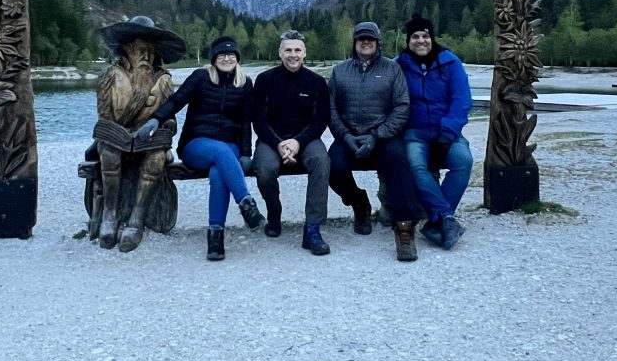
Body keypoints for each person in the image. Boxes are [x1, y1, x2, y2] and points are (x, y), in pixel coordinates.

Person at [136, 36, 264, 260]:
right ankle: (246, 204)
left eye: (231, 54)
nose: (227, 58)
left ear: (237, 58)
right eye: (222, 54)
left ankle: (216, 236)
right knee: (220, 152)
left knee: (218, 172)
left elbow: (246, 122)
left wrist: (245, 154)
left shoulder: (245, 84)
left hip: (230, 146)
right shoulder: (200, 77)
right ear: (214, 58)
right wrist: (155, 120)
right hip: (196, 145)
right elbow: (176, 101)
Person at [90, 15, 186, 253]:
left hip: (148, 141)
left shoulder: (162, 81)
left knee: (156, 158)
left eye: (151, 52)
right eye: (141, 51)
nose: (146, 57)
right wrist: (116, 133)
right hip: (117, 139)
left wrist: (166, 129)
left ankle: (137, 217)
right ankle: (110, 215)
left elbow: (170, 116)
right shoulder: (109, 77)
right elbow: (104, 118)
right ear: (126, 51)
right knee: (109, 152)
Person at [327, 21, 420, 262]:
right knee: (332, 166)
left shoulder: (392, 69)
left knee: (400, 163)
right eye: (361, 39)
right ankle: (360, 204)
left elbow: (402, 107)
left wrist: (377, 135)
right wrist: (345, 136)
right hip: (348, 137)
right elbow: (331, 110)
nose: (366, 42)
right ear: (355, 42)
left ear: (378, 42)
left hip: (383, 137)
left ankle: (404, 227)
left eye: (371, 39)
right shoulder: (339, 71)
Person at [396, 14, 474, 250]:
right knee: (416, 166)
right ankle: (445, 218)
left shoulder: (451, 63)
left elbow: (461, 101)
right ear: (408, 40)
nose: (421, 41)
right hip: (415, 132)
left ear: (432, 38)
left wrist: (448, 132)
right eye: (416, 36)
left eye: (425, 36)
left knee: (463, 161)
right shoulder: (398, 65)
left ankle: (435, 221)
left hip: (446, 130)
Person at [251, 30, 331, 255]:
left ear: (305, 53)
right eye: (288, 50)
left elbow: (319, 121)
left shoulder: (316, 82)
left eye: (297, 50)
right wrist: (278, 143)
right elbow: (259, 120)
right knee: (265, 168)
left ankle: (312, 228)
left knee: (321, 161)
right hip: (271, 139)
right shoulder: (265, 80)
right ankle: (274, 213)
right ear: (280, 52)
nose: (293, 55)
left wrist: (297, 142)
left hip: (306, 139)